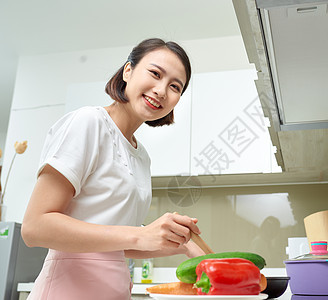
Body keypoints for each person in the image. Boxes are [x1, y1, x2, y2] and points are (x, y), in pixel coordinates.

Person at [21, 38, 204, 300]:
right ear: (127, 71)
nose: (162, 90)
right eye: (155, 73)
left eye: (175, 86)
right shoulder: (88, 123)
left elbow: (115, 245)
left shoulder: (142, 157)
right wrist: (141, 234)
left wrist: (181, 246)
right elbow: (35, 227)